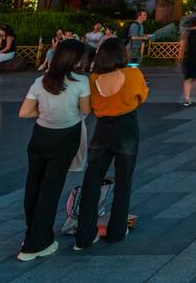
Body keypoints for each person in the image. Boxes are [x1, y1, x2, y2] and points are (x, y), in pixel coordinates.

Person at [17, 39, 90, 262]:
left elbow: (24, 112)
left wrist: (44, 113)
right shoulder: (81, 82)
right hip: (65, 137)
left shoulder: (40, 81)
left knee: (34, 186)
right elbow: (85, 110)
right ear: (76, 59)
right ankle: (36, 244)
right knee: (50, 189)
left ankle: (33, 233)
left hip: (40, 136)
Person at [75, 38, 147, 250]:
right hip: (127, 128)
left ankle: (84, 236)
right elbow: (141, 97)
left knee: (92, 180)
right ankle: (117, 230)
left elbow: (89, 107)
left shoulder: (92, 79)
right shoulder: (133, 74)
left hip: (102, 129)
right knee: (124, 180)